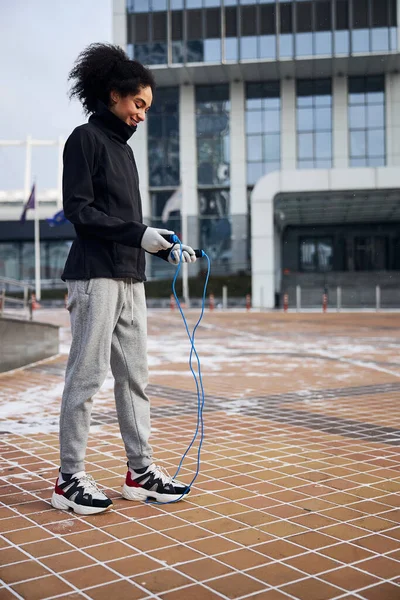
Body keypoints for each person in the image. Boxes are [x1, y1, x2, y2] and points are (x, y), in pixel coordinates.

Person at [51, 43, 197, 515]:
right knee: (87, 377)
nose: (142, 115)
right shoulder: (85, 139)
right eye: (139, 104)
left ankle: (140, 472)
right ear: (114, 95)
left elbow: (128, 224)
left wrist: (166, 245)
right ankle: (68, 477)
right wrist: (140, 234)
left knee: (135, 378)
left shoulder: (124, 152)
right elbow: (80, 211)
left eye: (147, 109)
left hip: (130, 279)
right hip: (94, 276)